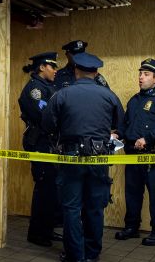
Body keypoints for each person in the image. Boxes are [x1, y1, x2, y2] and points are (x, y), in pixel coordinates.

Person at [42, 52, 124, 262]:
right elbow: (120, 126)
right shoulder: (110, 96)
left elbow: (48, 125)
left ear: (76, 71)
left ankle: (75, 255)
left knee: (71, 208)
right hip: (99, 158)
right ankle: (92, 254)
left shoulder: (62, 94)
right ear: (96, 72)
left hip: (71, 158)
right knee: (95, 207)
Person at [115, 58, 155, 246]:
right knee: (132, 193)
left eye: (146, 74)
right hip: (134, 156)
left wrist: (148, 138)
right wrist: (117, 133)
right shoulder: (134, 101)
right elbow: (126, 125)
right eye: (140, 73)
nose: (141, 77)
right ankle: (131, 227)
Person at [18, 52, 62, 247]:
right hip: (41, 143)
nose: (55, 70)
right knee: (44, 189)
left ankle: (47, 229)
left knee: (51, 190)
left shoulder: (48, 87)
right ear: (42, 67)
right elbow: (46, 117)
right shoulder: (34, 89)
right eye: (53, 66)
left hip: (51, 144)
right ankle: (37, 233)